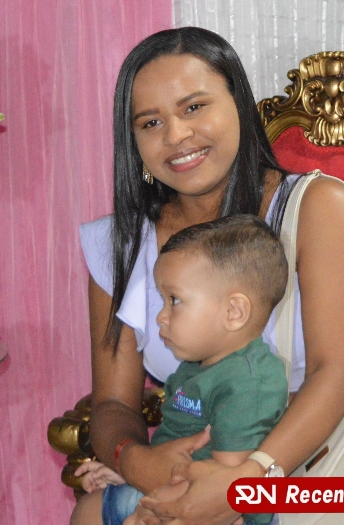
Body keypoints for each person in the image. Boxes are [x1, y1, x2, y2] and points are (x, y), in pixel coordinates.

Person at [74, 28, 344, 525]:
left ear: (240, 104)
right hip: (188, 469)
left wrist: (248, 481)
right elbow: (111, 403)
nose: (176, 136)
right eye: (151, 122)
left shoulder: (318, 209)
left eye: (194, 107)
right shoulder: (119, 244)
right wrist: (137, 461)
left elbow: (336, 374)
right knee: (92, 512)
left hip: (307, 473)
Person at [75, 214, 290, 525]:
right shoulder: (197, 365)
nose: (161, 317)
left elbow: (223, 487)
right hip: (174, 483)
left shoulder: (248, 382)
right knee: (88, 511)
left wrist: (151, 508)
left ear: (234, 312)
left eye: (174, 300)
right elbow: (173, 441)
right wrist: (132, 475)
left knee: (91, 514)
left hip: (211, 506)